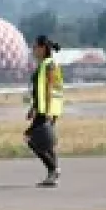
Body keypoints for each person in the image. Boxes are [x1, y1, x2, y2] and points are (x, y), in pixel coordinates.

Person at [25, 34, 64, 187]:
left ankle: (53, 168)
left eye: (35, 47)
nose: (33, 50)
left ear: (42, 48)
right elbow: (39, 90)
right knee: (46, 143)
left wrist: (48, 111)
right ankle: (52, 174)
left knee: (30, 138)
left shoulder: (49, 65)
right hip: (42, 109)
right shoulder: (44, 64)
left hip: (46, 110)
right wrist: (33, 107)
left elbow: (50, 88)